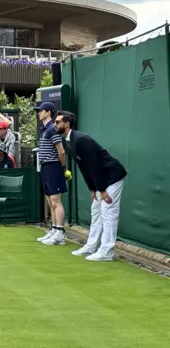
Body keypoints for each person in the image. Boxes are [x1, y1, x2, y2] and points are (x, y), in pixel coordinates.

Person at [56, 111, 128, 261]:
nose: (55, 125)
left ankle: (107, 251)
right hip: (101, 180)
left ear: (67, 123)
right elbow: (84, 167)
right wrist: (92, 189)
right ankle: (91, 245)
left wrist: (101, 190)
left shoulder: (81, 140)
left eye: (58, 122)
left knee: (108, 212)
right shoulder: (69, 141)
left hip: (112, 175)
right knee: (96, 210)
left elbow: (94, 166)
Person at [35, 102, 67, 246]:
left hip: (53, 166)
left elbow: (61, 151)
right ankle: (54, 230)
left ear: (48, 112)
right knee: (50, 201)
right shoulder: (45, 129)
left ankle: (60, 233)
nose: (38, 113)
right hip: (46, 167)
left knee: (55, 201)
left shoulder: (53, 129)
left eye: (41, 111)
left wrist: (63, 168)